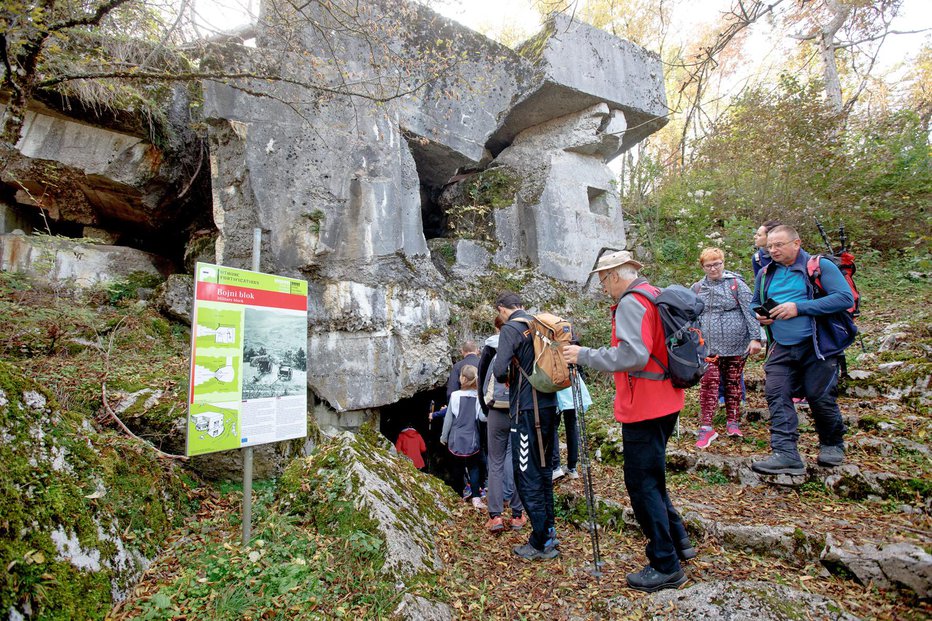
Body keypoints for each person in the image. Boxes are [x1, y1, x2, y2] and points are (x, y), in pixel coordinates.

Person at [562, 250, 694, 593]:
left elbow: (633, 355)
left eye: (604, 280)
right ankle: (680, 541)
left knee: (641, 484)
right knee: (653, 476)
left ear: (615, 276)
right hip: (666, 399)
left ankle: (665, 565)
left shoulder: (631, 302)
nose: (604, 287)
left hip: (645, 406)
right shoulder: (653, 293)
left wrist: (584, 355)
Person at [752, 225, 854, 475]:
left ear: (796, 243)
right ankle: (786, 454)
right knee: (776, 394)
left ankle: (832, 443)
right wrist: (760, 315)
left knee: (819, 397)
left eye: (779, 245)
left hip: (817, 345)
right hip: (782, 346)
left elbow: (844, 298)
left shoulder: (819, 267)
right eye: (770, 246)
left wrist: (799, 307)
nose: (773, 250)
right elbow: (755, 302)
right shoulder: (765, 273)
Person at [492, 292, 560, 561]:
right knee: (544, 472)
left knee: (526, 474)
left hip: (525, 411)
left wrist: (509, 373)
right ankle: (549, 532)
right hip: (548, 406)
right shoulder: (540, 324)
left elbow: (499, 370)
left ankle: (540, 541)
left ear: (502, 309)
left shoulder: (511, 328)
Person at [692, 248, 763, 448]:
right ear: (703, 267)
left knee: (732, 383)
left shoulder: (736, 285)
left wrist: (755, 338)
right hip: (709, 347)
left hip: (736, 344)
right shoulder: (697, 288)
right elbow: (690, 314)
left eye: (717, 264)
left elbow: (751, 312)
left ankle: (733, 421)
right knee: (709, 383)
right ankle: (706, 426)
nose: (714, 268)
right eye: (709, 265)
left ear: (723, 263)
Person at [477, 316, 527, 533]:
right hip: (519, 408)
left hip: (496, 407)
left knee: (495, 461)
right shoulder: (526, 340)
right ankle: (517, 515)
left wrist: (486, 407)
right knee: (519, 461)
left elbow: (481, 377)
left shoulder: (491, 345)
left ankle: (495, 516)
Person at [441, 365, 486, 509]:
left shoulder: (454, 395)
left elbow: (449, 419)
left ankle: (459, 494)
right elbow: (481, 418)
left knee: (457, 468)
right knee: (474, 467)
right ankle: (476, 497)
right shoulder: (479, 397)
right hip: (473, 437)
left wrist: (444, 436)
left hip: (456, 437)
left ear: (463, 379)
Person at [551, 362, 592, 481]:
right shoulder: (570, 344)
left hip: (556, 383)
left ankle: (556, 467)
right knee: (571, 426)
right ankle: (572, 467)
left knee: (553, 426)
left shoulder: (548, 344)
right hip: (572, 382)